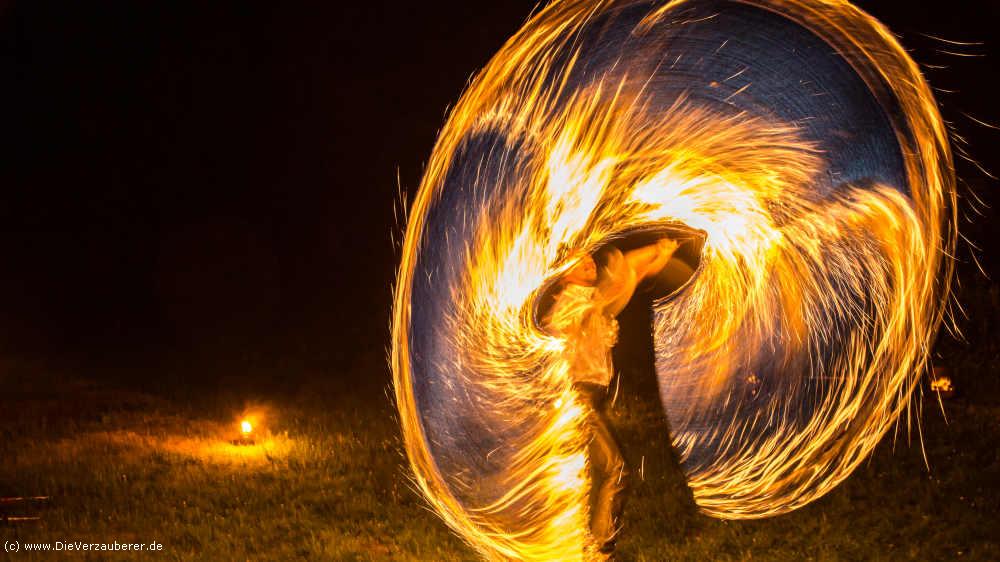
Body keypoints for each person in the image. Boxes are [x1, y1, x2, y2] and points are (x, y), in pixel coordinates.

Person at [544, 237, 679, 553]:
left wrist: (658, 252)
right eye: (580, 262)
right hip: (573, 400)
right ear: (564, 274)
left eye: (589, 258)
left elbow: (628, 276)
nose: (590, 262)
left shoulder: (590, 299)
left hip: (590, 400)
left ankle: (572, 546)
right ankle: (599, 552)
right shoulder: (570, 303)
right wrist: (643, 258)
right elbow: (623, 277)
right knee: (615, 470)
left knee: (582, 478)